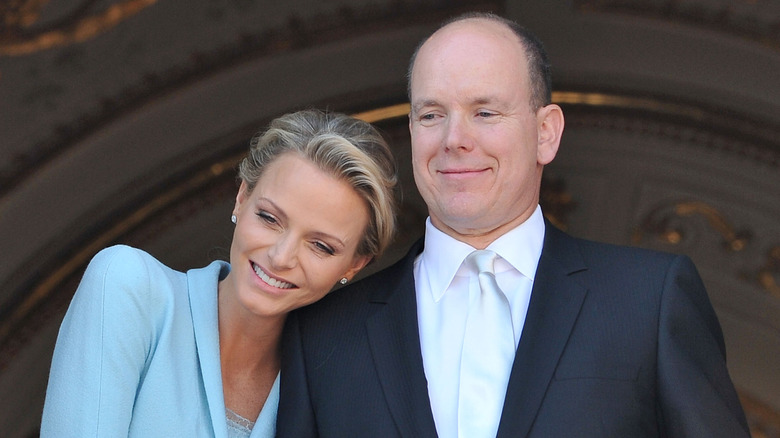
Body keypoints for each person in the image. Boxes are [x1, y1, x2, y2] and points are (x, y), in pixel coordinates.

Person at [277, 12, 751, 438]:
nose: (454, 139)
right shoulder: (325, 333)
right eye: (431, 115)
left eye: (484, 112)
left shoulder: (650, 301)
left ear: (546, 132)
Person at [40, 109, 398, 437]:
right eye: (270, 218)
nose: (281, 256)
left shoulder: (337, 388)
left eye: (321, 246)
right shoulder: (128, 285)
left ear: (355, 264)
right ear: (242, 198)